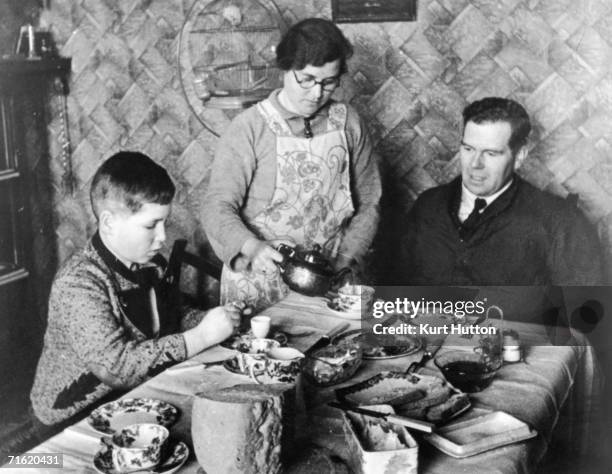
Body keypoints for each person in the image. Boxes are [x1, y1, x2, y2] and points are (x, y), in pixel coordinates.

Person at [30, 151, 241, 426]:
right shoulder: (80, 281)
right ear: (108, 223)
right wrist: (200, 337)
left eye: (164, 222)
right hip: (71, 418)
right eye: (151, 225)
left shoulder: (150, 263)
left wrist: (217, 320)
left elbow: (174, 316)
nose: (162, 237)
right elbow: (114, 367)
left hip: (132, 396)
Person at [202, 18, 381, 310]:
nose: (316, 93)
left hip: (330, 278)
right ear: (285, 68)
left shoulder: (349, 123)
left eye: (328, 83)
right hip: (258, 280)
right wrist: (252, 247)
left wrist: (345, 261)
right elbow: (216, 206)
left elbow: (370, 203)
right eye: (306, 80)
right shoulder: (250, 128)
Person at [401, 97, 604, 286]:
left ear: (519, 156)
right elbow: (393, 291)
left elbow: (586, 315)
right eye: (468, 149)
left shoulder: (559, 222)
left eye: (491, 153)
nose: (475, 164)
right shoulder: (428, 206)